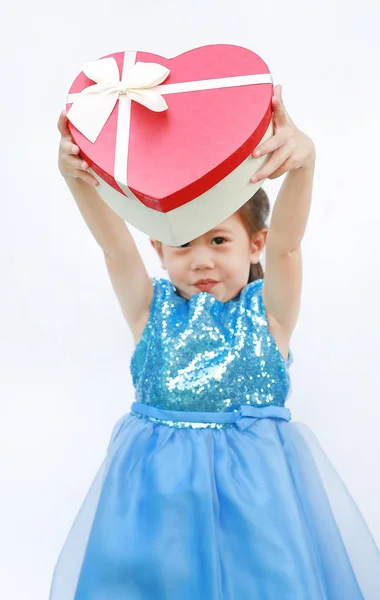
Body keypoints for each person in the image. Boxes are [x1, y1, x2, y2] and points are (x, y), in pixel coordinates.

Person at [49, 86, 380, 600]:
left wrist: (303, 166)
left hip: (255, 498)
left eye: (219, 239)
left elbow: (291, 247)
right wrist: (80, 182)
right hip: (159, 501)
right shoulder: (149, 313)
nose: (200, 259)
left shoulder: (268, 316)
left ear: (255, 243)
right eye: (183, 242)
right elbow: (115, 252)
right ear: (158, 248)